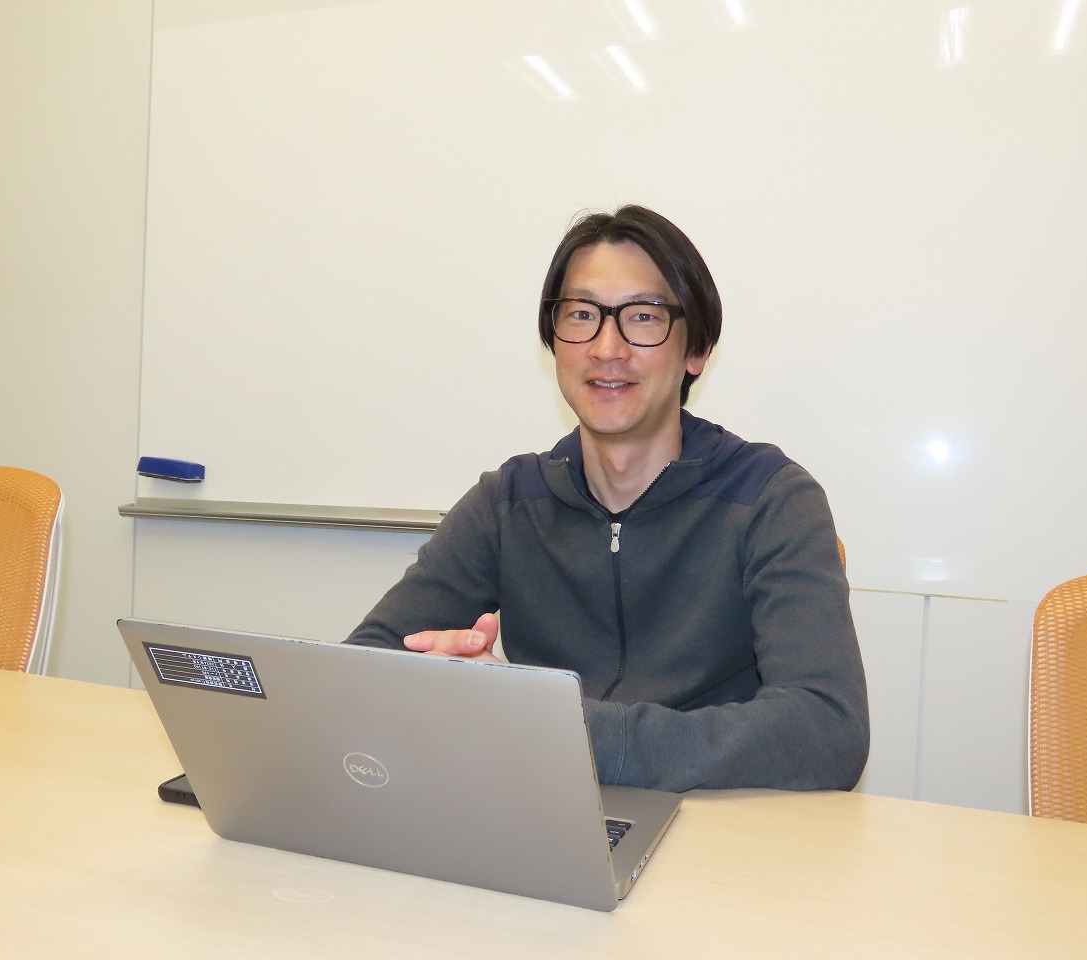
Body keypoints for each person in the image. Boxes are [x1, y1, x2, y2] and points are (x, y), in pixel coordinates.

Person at [347, 205, 868, 793]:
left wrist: (544, 723)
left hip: (716, 823)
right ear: (554, 342)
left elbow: (829, 729)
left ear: (696, 350)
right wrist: (447, 685)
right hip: (545, 813)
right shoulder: (508, 503)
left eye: (642, 317)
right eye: (582, 315)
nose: (606, 346)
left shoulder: (771, 499)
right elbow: (358, 670)